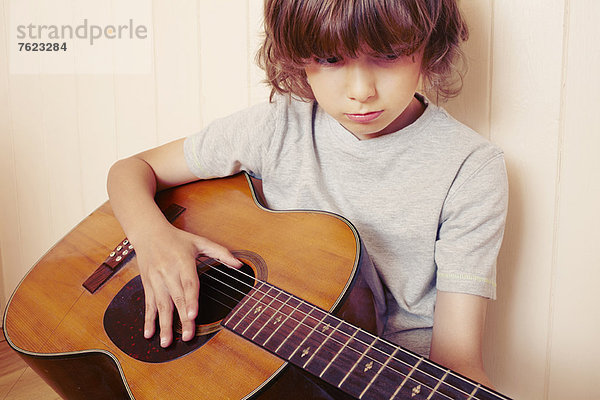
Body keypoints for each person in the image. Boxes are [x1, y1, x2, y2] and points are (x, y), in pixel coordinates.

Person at [107, 0, 508, 395]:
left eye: (388, 54)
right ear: (297, 57)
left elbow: (458, 363)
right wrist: (154, 240)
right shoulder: (279, 125)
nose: (361, 91)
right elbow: (130, 169)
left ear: (430, 47)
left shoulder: (470, 167)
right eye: (331, 59)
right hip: (253, 359)